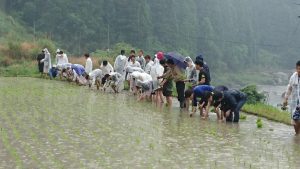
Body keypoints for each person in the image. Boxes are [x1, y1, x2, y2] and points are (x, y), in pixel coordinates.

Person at [283, 60, 300, 135]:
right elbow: (289, 88)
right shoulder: (293, 77)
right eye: (299, 69)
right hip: (294, 103)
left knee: (298, 120)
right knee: (295, 120)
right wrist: (285, 99)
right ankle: (297, 135)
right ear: (296, 68)